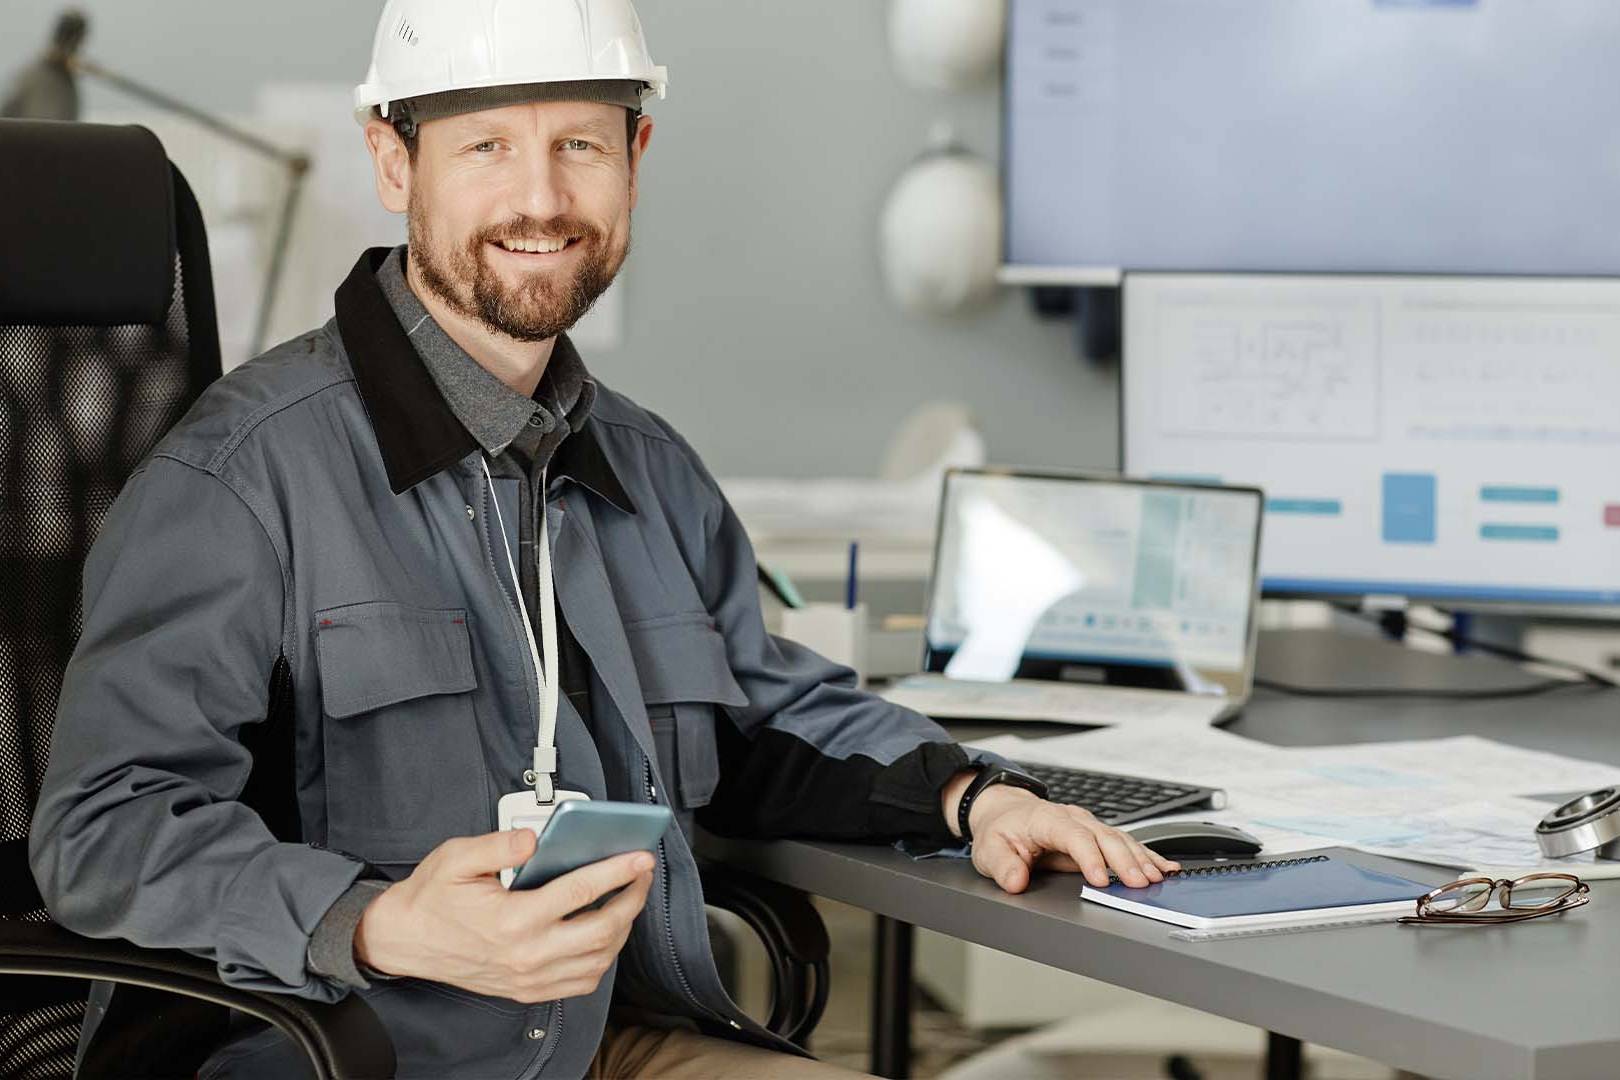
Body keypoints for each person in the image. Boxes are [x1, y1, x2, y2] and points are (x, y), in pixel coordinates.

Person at [28, 2, 1176, 1076]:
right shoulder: (242, 478)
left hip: (599, 1043)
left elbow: (765, 713)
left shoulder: (646, 467)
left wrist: (977, 797)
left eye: (579, 145)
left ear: (637, 161)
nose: (541, 198)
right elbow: (98, 828)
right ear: (394, 163)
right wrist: (375, 923)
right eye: (486, 148)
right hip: (349, 1056)